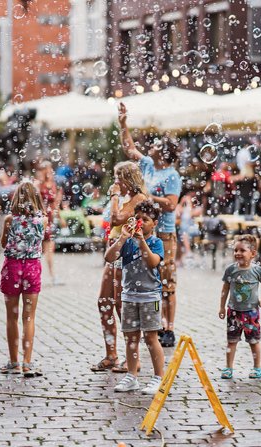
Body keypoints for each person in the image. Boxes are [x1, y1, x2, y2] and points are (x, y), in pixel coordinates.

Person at [118, 103, 182, 347]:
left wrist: (147, 196)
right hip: (143, 229)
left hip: (164, 233)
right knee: (148, 276)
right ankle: (153, 321)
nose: (151, 147)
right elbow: (129, 148)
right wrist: (123, 123)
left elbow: (171, 204)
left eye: (156, 145)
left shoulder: (171, 175)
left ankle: (169, 327)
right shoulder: (147, 165)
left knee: (166, 279)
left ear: (164, 153)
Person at [90, 161, 147, 373]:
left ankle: (132, 358)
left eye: (118, 178)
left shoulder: (139, 199)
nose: (115, 182)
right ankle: (111, 354)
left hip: (127, 257)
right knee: (104, 302)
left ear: (127, 179)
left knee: (123, 306)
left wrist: (114, 196)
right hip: (114, 256)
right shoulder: (125, 199)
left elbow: (116, 220)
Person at [105, 200, 165, 394]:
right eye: (137, 218)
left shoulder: (156, 243)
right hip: (130, 296)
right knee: (131, 338)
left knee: (150, 338)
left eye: (145, 219)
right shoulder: (127, 242)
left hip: (150, 297)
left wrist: (142, 242)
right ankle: (132, 376)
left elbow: (152, 262)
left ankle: (158, 378)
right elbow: (109, 257)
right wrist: (122, 238)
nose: (140, 222)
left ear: (154, 223)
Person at [0, 181, 47, 378]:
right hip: (32, 267)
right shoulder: (42, 220)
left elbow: (3, 243)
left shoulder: (10, 219)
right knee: (29, 317)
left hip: (12, 266)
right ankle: (27, 362)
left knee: (12, 317)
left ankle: (14, 362)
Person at [219, 235, 261, 380]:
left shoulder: (257, 270)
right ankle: (228, 368)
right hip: (233, 312)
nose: (237, 253)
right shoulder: (231, 270)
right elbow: (225, 288)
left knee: (254, 341)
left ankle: (257, 367)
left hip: (251, 312)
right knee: (231, 341)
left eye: (242, 250)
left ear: (253, 253)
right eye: (235, 250)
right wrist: (222, 307)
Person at [35, 161, 64, 286]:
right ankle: (34, 275)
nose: (50, 171)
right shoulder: (37, 184)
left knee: (49, 249)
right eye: (47, 169)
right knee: (36, 249)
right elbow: (35, 201)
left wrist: (60, 217)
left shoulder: (54, 185)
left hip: (50, 219)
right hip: (40, 219)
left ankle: (53, 276)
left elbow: (56, 204)